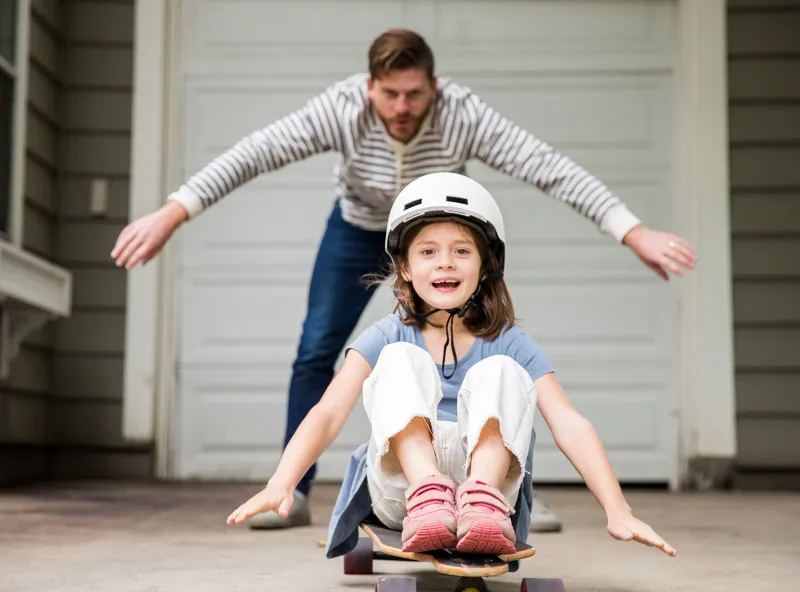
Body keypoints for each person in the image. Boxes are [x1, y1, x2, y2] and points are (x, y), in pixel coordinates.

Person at [110, 28, 695, 533]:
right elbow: (254, 153)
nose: (401, 106)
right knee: (320, 348)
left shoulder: (462, 115)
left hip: (445, 233)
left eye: (414, 93)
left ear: (433, 88)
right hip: (362, 227)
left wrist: (631, 230)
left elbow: (548, 166)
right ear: (370, 88)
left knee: (497, 354)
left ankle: (500, 487)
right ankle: (293, 493)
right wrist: (172, 212)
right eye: (389, 93)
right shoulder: (342, 109)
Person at [226, 172, 677, 563]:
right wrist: (282, 482)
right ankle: (431, 494)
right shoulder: (386, 337)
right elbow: (327, 413)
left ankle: (479, 502)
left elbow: (570, 424)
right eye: (428, 252)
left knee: (501, 369)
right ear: (403, 267)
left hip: (489, 495)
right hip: (404, 493)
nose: (445, 261)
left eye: (462, 250)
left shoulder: (509, 344)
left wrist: (618, 509)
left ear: (485, 267)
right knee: (400, 360)